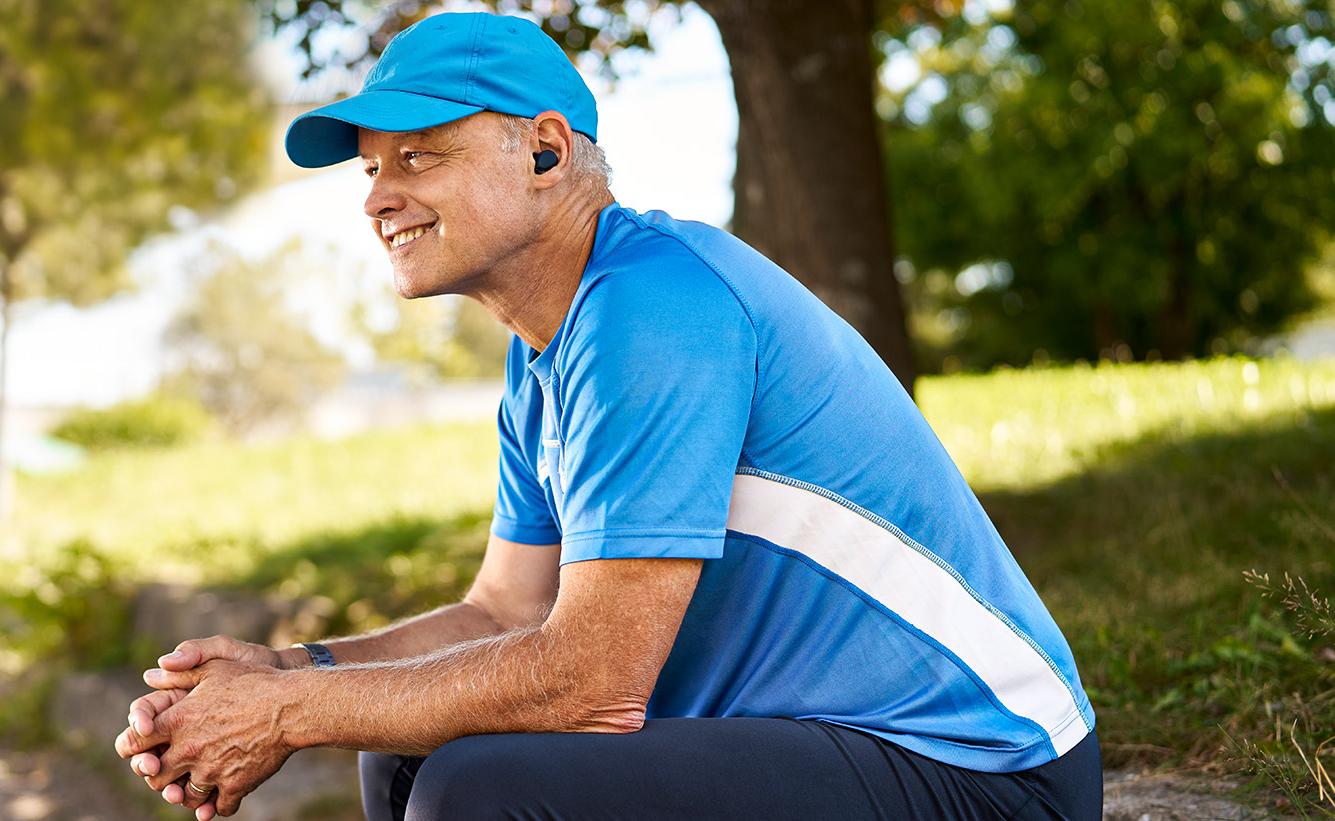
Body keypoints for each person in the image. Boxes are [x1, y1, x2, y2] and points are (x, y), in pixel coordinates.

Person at [110, 12, 1101, 821]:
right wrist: (291, 668)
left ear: (544, 152)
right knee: (402, 757)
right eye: (371, 169)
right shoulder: (545, 350)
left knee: (474, 787)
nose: (380, 197)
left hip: (982, 771)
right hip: (820, 742)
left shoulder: (653, 308)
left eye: (418, 156)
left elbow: (591, 682)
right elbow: (503, 613)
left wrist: (286, 709)